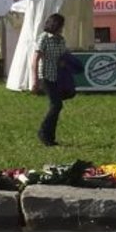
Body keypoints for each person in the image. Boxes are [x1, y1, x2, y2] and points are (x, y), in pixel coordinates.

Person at [32, 12, 77, 146]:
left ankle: (50, 137)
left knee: (59, 103)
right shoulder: (44, 38)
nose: (62, 28)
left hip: (58, 76)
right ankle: (43, 133)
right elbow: (35, 59)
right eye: (61, 25)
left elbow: (63, 55)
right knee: (56, 105)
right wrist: (34, 80)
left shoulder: (61, 40)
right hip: (46, 75)